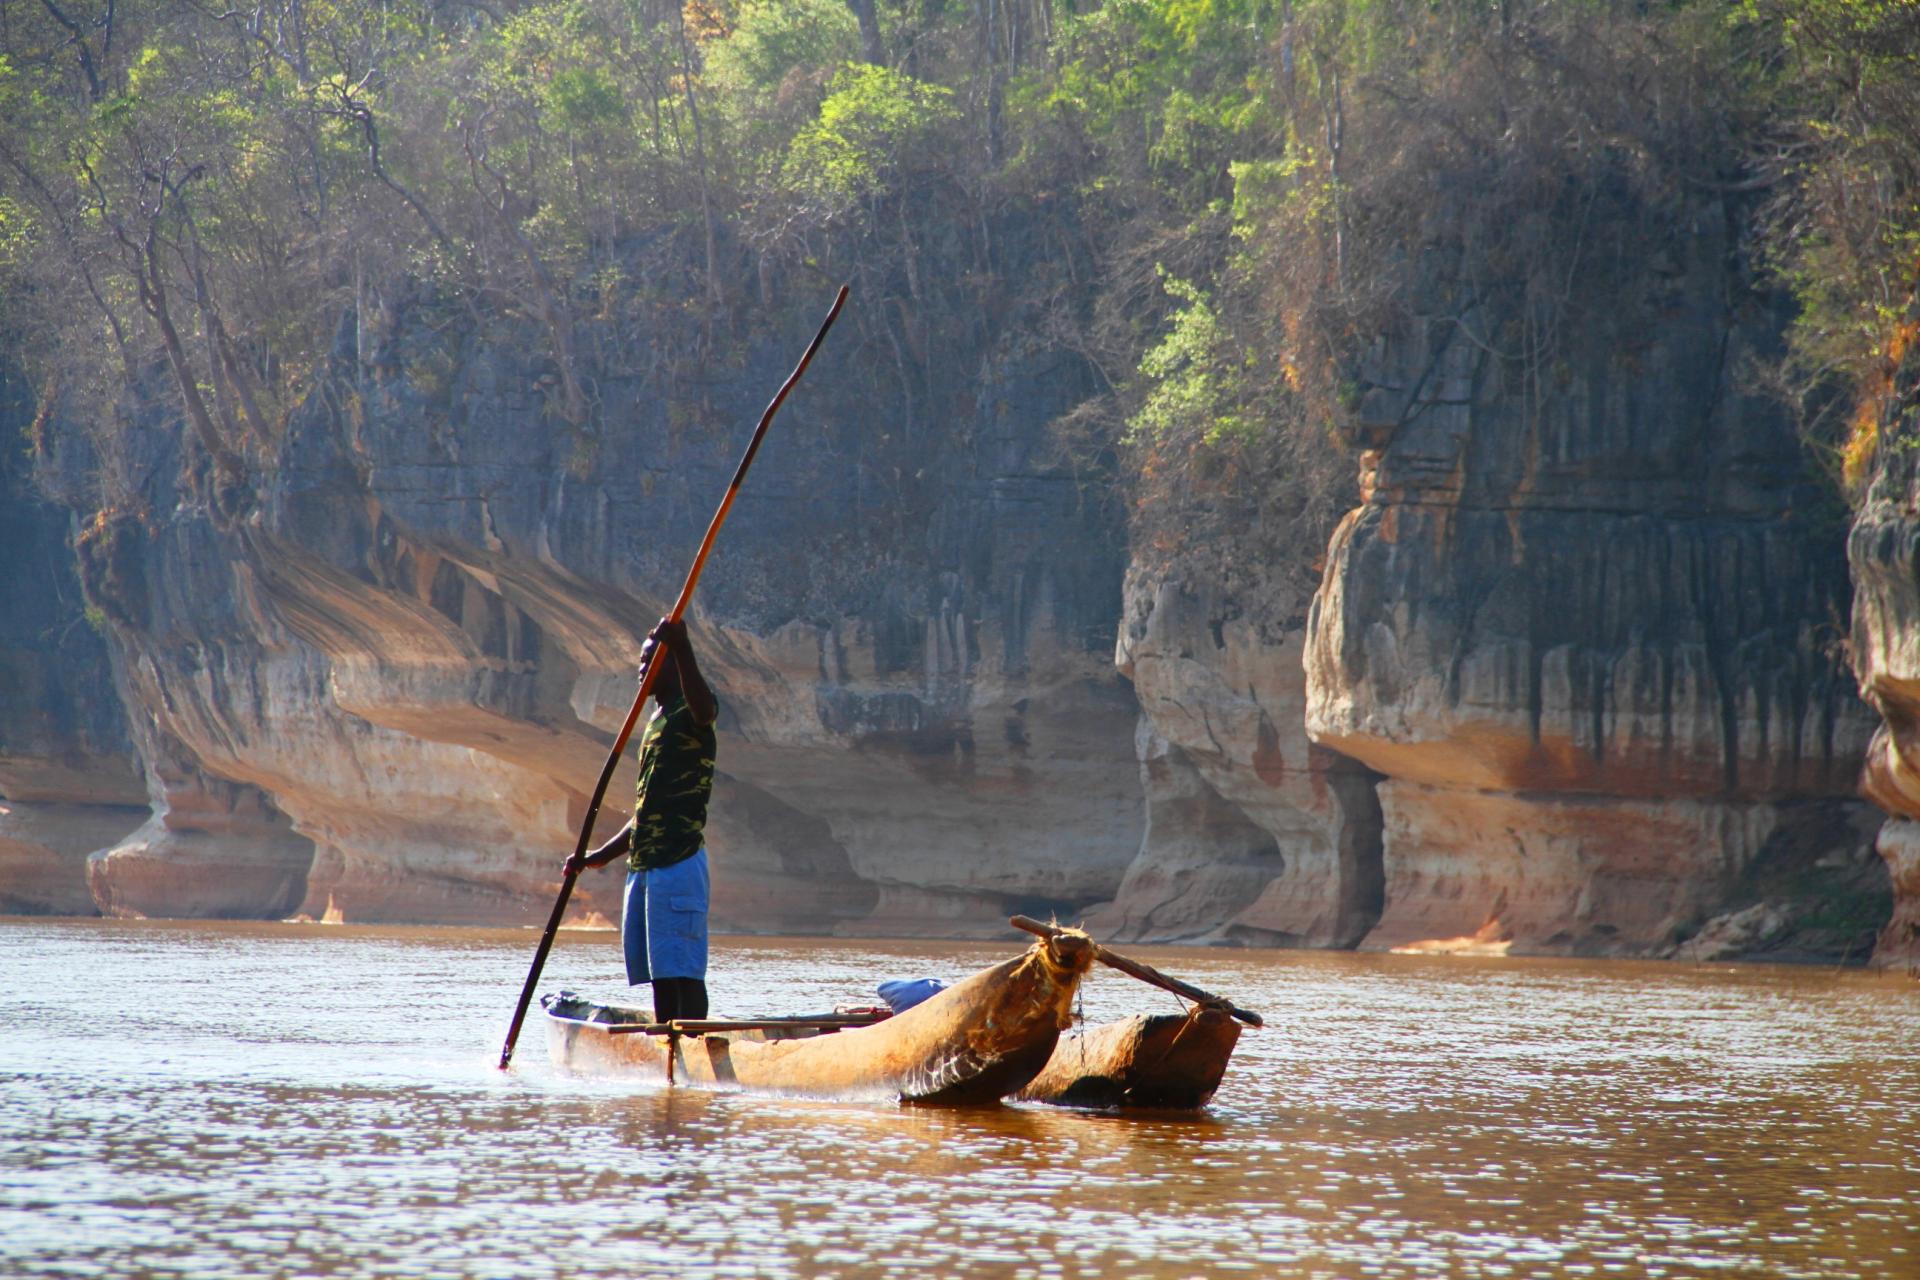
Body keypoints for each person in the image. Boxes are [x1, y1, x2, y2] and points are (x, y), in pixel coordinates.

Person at [565, 617, 719, 1024]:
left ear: (670, 666)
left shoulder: (690, 711)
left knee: (682, 971)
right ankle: (669, 1055)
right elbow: (647, 811)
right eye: (640, 661)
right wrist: (597, 857)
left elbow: (707, 710)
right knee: (659, 976)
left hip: (678, 861)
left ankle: (690, 1046)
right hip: (646, 865)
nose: (639, 670)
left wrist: (683, 647)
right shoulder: (656, 722)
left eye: (649, 661)